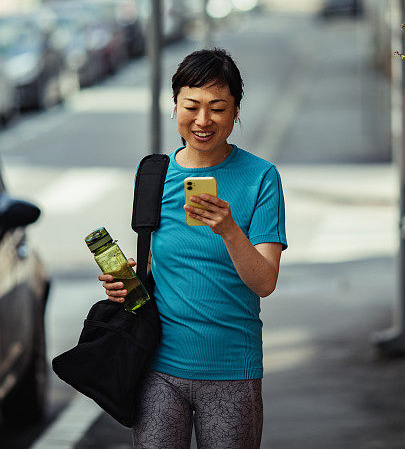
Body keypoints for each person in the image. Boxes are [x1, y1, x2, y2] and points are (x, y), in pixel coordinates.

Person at [99, 48, 287, 448]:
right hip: (157, 368)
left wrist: (230, 230)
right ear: (175, 106)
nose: (203, 121)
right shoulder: (153, 173)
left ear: (236, 111)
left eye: (217, 108)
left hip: (232, 371)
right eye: (192, 106)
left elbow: (265, 281)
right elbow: (152, 265)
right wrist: (126, 283)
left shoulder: (261, 178)